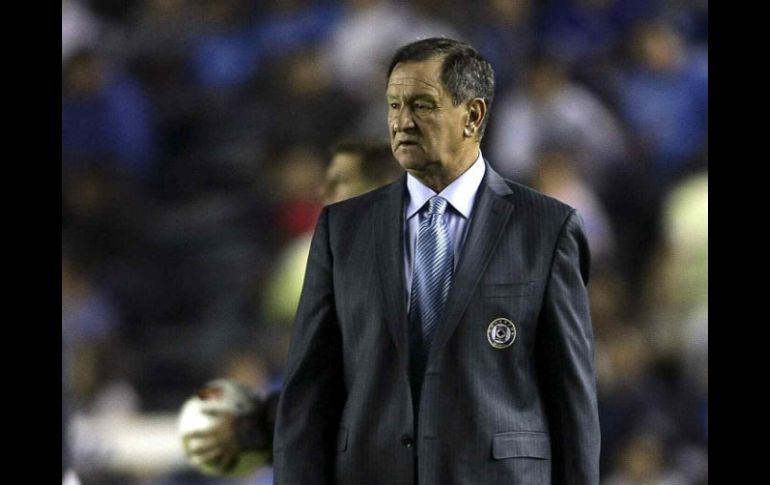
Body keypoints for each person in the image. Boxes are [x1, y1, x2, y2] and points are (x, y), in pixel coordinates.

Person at [185, 38, 600, 485]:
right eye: (394, 105)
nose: (401, 122)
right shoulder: (342, 230)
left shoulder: (546, 228)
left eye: (422, 105)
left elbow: (571, 398)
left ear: (473, 115)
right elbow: (310, 394)